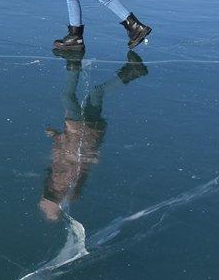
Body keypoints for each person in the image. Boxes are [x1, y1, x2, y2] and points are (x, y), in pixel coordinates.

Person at [39, 50, 148, 222]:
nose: (42, 198)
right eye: (46, 201)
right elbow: (74, 164)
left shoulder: (56, 180)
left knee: (96, 93)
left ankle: (133, 71)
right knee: (67, 96)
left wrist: (55, 135)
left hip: (88, 133)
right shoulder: (64, 184)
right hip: (79, 132)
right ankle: (73, 62)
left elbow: (63, 153)